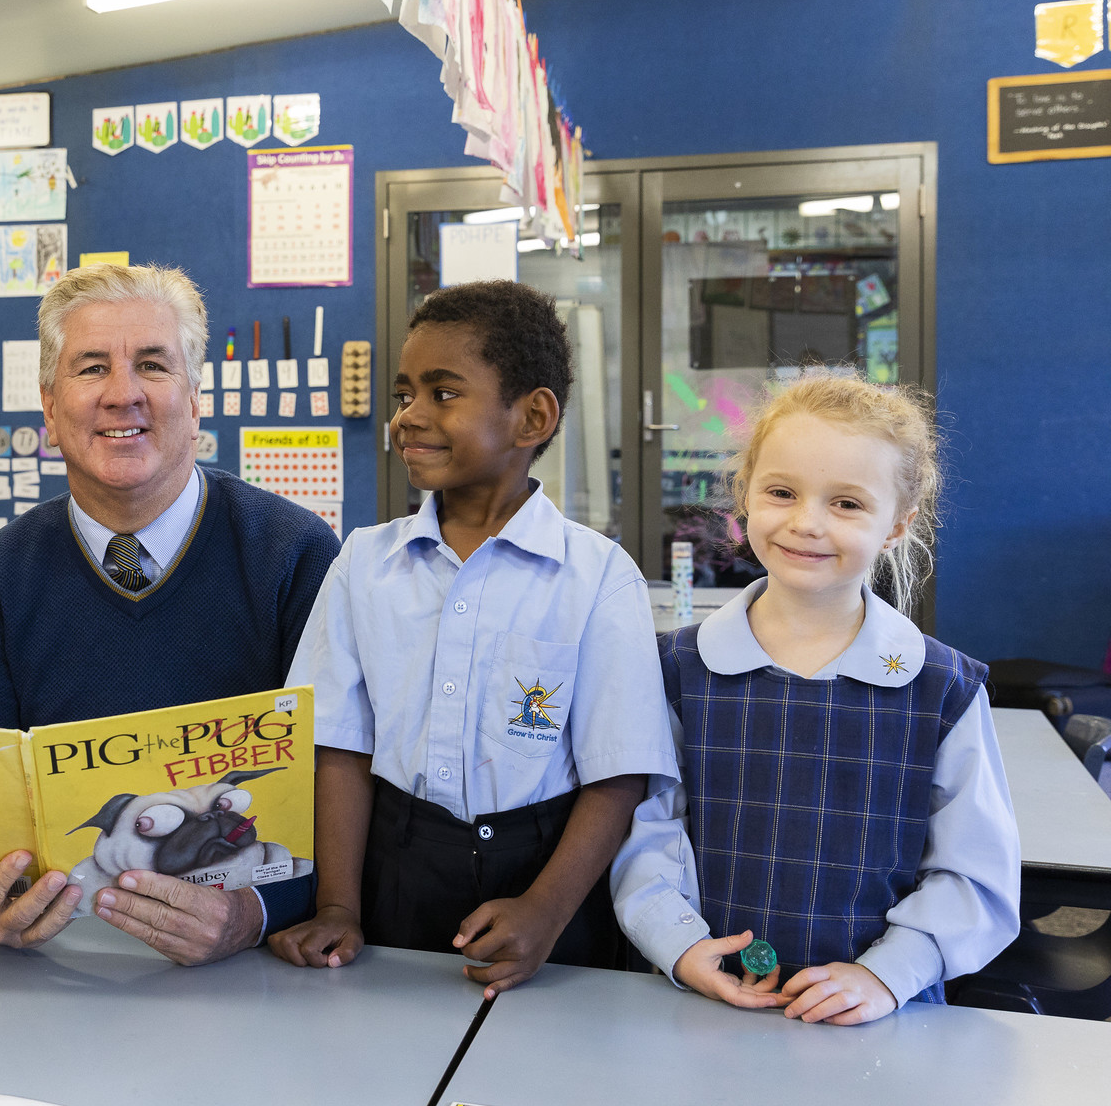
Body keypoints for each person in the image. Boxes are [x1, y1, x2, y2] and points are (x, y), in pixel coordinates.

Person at [270, 281, 675, 996]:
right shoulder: (365, 563)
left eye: (443, 394)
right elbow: (337, 745)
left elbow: (618, 775)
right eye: (403, 395)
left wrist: (548, 910)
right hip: (395, 868)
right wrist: (339, 903)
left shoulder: (598, 577)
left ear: (533, 417)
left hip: (551, 881)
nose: (410, 417)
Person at [0, 264, 339, 964]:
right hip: (54, 967)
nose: (122, 394)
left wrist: (256, 912)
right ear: (49, 405)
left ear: (194, 398)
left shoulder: (295, 554)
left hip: (251, 983)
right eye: (92, 367)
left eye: (153, 365)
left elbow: (342, 789)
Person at [612, 372, 1019, 1024]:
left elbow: (977, 875)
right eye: (782, 492)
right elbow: (647, 829)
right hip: (694, 1007)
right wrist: (680, 945)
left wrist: (886, 975)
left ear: (897, 525)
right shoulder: (674, 669)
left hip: (879, 1020)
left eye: (848, 504)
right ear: (744, 495)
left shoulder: (942, 688)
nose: (807, 523)